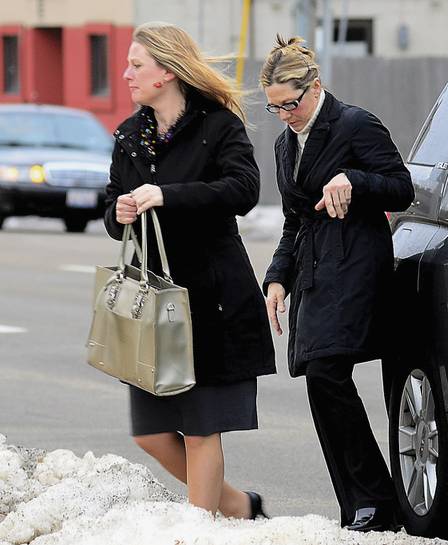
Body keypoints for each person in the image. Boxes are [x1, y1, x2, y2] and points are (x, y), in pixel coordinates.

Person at [103, 21, 275, 519]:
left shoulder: (217, 125)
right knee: (152, 434)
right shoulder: (131, 135)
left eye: (136, 65)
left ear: (167, 70)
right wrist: (118, 213)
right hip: (153, 303)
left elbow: (244, 190)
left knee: (202, 430)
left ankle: (200, 529)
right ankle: (239, 506)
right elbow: (112, 205)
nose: (126, 74)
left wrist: (168, 197)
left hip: (212, 300)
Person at [260, 36, 414, 532]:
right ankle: (358, 505)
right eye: (274, 107)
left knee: (327, 370)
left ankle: (376, 500)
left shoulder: (354, 124)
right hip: (312, 273)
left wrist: (353, 178)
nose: (285, 114)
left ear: (315, 86)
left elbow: (401, 187)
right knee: (319, 379)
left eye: (291, 102)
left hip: (357, 266)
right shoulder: (286, 145)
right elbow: (293, 222)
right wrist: (277, 277)